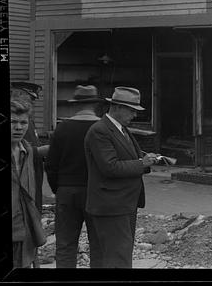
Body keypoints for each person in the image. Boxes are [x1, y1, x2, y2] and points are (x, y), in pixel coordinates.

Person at [84, 86, 158, 268]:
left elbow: (127, 157)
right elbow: (110, 167)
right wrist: (142, 163)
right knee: (118, 260)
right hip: (111, 206)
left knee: (113, 257)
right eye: (131, 110)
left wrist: (146, 161)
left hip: (123, 204)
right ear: (116, 107)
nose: (134, 115)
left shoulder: (121, 129)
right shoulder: (100, 130)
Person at [45, 85, 105, 268]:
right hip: (96, 193)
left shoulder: (62, 128)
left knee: (65, 245)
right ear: (95, 105)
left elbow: (51, 165)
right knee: (99, 245)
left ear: (74, 105)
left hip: (66, 191)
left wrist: (58, 188)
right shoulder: (102, 128)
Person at [10, 92, 47, 269]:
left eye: (23, 122)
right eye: (13, 122)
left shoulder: (28, 151)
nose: (18, 127)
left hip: (25, 230)